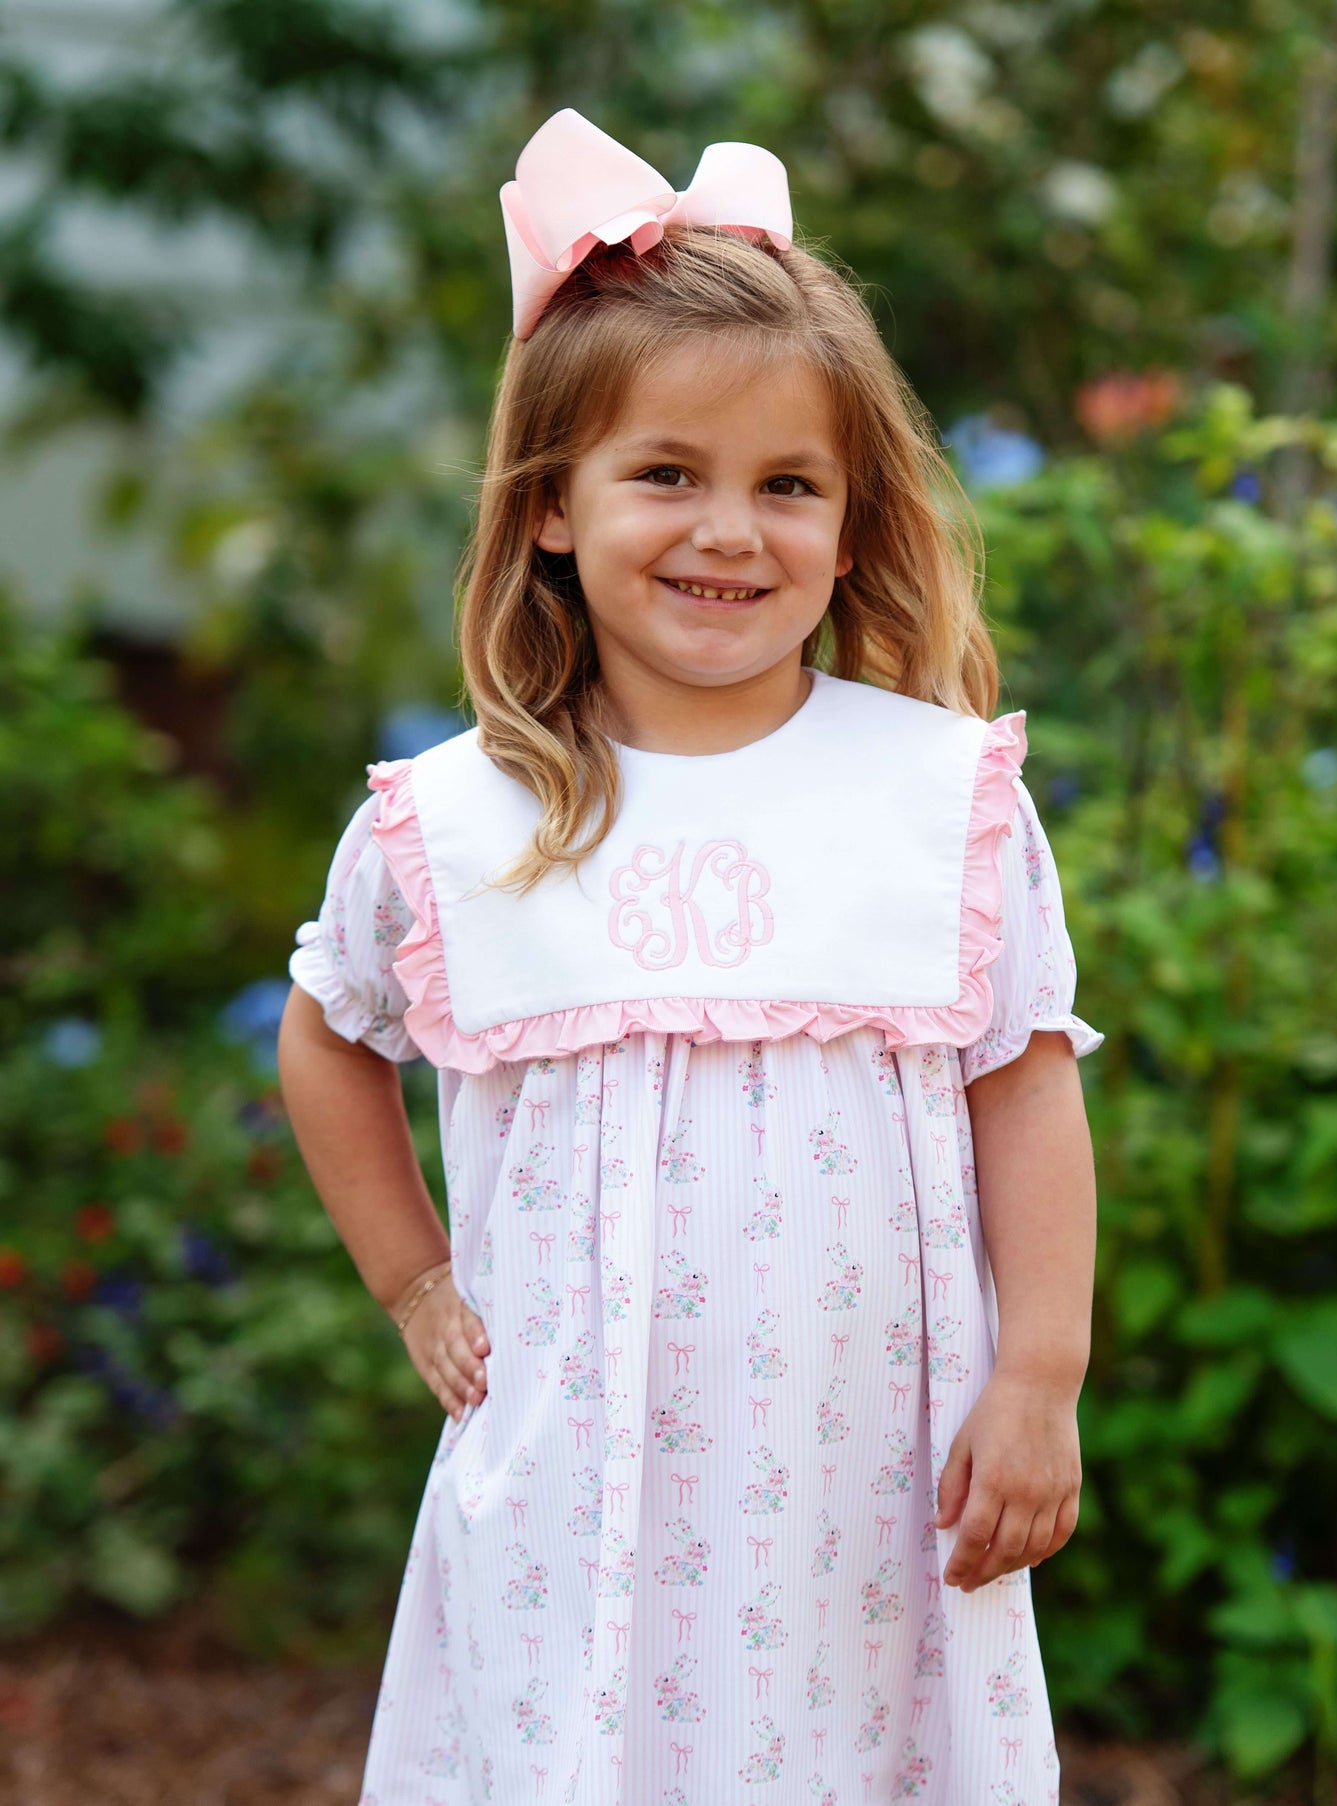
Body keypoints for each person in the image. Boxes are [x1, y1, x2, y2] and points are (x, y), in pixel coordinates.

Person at [279, 106, 1102, 1806]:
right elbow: (327, 1032)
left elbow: (1023, 1080)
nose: (730, 530)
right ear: (554, 509)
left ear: (853, 524)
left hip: (864, 1481)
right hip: (572, 1496)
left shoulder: (934, 800)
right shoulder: (459, 822)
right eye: (668, 473)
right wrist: (416, 1279)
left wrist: (1039, 1372)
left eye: (786, 485)